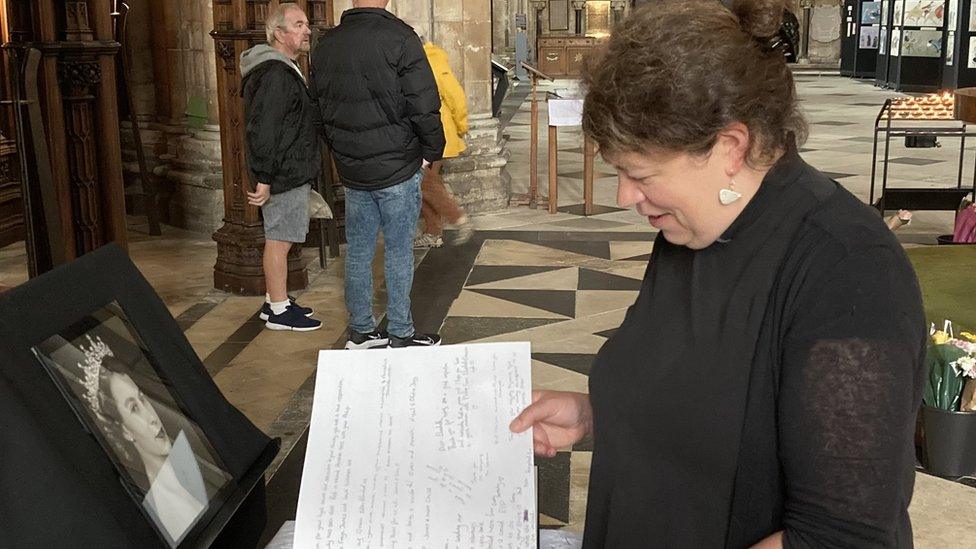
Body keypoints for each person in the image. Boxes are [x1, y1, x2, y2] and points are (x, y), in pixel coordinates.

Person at [510, 1, 927, 547]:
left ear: (730, 147)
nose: (625, 197)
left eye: (640, 174)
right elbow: (709, 403)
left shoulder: (850, 272)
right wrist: (595, 414)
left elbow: (841, 537)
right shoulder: (694, 230)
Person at [311, 0, 445, 349]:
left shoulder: (326, 44)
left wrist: (341, 151)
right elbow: (423, 103)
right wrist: (432, 152)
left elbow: (319, 108)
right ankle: (400, 332)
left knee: (357, 250)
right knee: (399, 250)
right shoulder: (400, 38)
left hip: (353, 168)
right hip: (397, 166)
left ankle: (362, 331)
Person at [241, 2, 321, 332]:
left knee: (283, 237)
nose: (307, 30)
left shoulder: (281, 68)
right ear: (279, 33)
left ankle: (278, 299)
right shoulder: (275, 73)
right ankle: (277, 310)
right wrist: (264, 177)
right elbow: (264, 128)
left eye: (306, 24)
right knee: (279, 240)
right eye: (299, 25)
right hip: (283, 174)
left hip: (288, 169)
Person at [414, 39, 474, 249]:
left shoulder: (433, 60)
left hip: (437, 134)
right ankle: (433, 231)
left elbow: (455, 96)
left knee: (424, 181)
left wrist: (462, 126)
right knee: (423, 183)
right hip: (420, 135)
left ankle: (458, 219)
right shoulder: (417, 60)